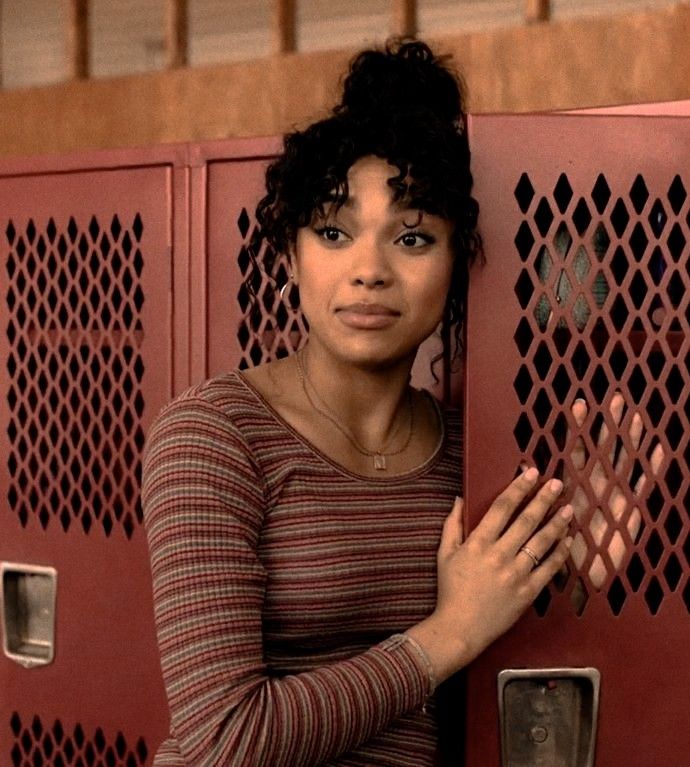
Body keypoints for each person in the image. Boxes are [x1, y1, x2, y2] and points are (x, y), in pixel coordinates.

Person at [141, 38, 656, 766]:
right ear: (290, 255)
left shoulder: (469, 453)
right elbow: (226, 739)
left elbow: (492, 684)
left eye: (412, 237)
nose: (369, 271)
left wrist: (572, 591)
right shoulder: (212, 435)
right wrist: (448, 630)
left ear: (458, 263)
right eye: (332, 232)